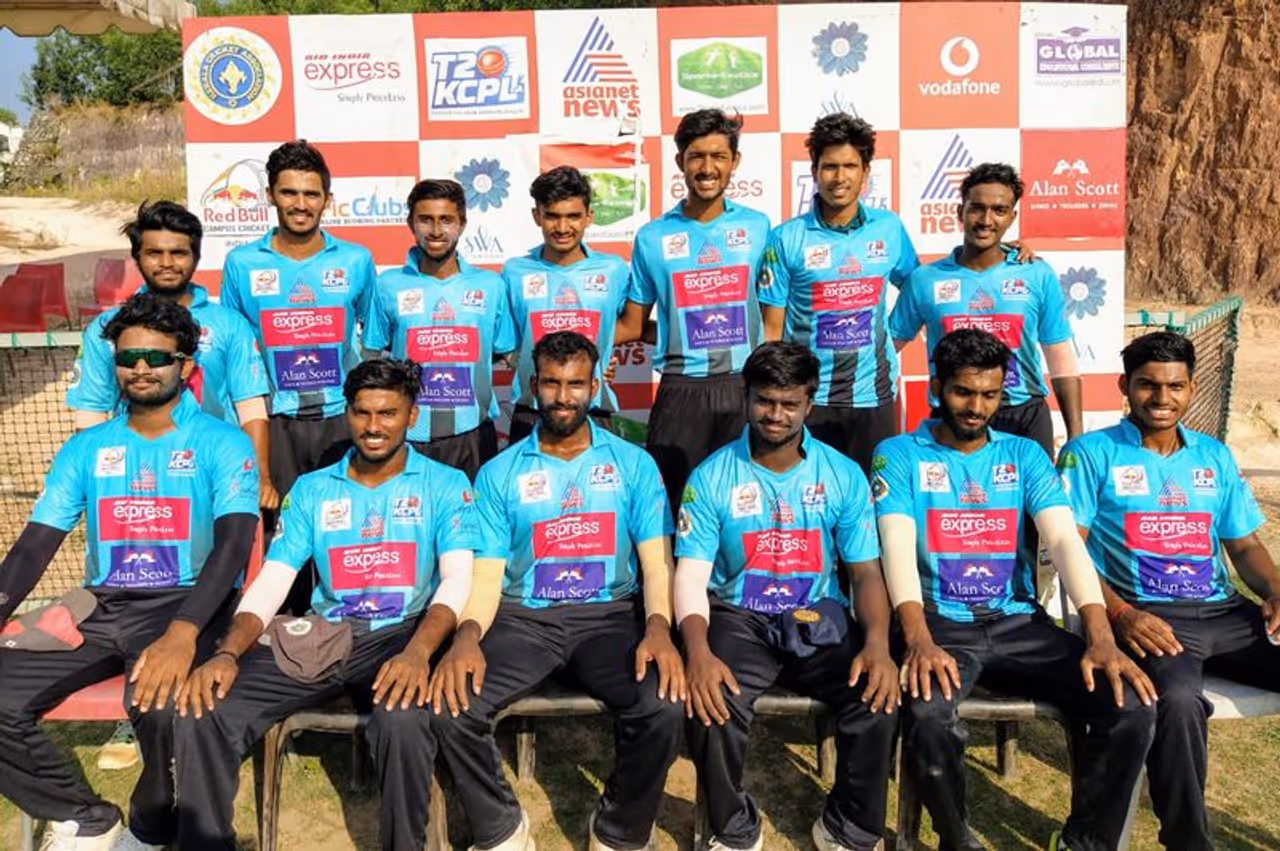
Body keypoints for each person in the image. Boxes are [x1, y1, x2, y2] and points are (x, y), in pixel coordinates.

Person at [173, 358, 477, 851]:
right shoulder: (312, 489)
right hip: (325, 635)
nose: (373, 427)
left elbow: (458, 579)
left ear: (412, 416)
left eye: (388, 413)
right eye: (362, 413)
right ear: (347, 413)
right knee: (203, 707)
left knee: (402, 721)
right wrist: (227, 653)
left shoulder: (445, 484)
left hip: (404, 634)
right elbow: (273, 580)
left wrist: (419, 653)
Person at [873, 328, 1155, 851]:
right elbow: (896, 546)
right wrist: (917, 638)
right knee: (928, 716)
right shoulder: (899, 453)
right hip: (938, 623)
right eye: (963, 392)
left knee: (1130, 704)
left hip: (1017, 622)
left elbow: (1064, 541)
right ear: (936, 388)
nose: (976, 407)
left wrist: (1100, 635)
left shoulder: (1025, 455)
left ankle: (1085, 840)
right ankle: (957, 840)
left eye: (990, 394)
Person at [0, 293, 260, 850]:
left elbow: (234, 545)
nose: (141, 368)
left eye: (157, 357)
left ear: (185, 367)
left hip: (187, 603)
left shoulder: (222, 441)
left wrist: (183, 633)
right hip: (100, 606)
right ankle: (86, 817)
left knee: (164, 705)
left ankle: (151, 827)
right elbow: (33, 548)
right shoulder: (87, 448)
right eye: (128, 357)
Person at [430, 331, 684, 851]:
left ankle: (618, 828)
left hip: (609, 618)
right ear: (533, 386)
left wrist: (659, 628)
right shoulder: (499, 473)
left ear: (595, 387)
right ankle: (502, 827)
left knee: (663, 703)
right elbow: (487, 576)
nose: (563, 397)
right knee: (450, 704)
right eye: (551, 384)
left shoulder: (633, 464)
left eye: (575, 385)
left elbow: (658, 564)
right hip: (524, 620)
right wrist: (467, 636)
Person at [68, 201, 271, 773]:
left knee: (210, 594)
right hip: (132, 496)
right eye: (153, 252)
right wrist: (94, 483)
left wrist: (257, 476)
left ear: (196, 256)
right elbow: (90, 413)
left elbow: (252, 407)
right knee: (127, 596)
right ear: (137, 257)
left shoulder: (228, 325)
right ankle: (134, 716)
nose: (166, 262)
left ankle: (203, 705)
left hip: (212, 489)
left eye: (178, 252)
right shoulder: (106, 329)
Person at [1058, 331, 1280, 851]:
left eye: (1175, 386)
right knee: (1177, 702)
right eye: (1148, 385)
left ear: (1191, 388)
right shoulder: (1090, 454)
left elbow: (1245, 545)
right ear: (1125, 387)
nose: (1162, 398)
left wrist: (1274, 588)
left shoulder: (1213, 455)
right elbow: (1069, 551)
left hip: (1225, 612)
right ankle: (1187, 841)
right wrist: (1120, 614)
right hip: (1150, 617)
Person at [674, 341, 898, 851]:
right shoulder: (711, 477)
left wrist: (878, 645)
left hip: (816, 614)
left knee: (876, 695)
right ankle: (734, 829)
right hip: (739, 617)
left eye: (789, 403)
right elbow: (690, 576)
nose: (775, 415)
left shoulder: (842, 474)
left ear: (809, 403)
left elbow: (865, 572)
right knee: (711, 700)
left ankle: (848, 827)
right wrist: (699, 651)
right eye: (765, 401)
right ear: (746, 396)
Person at [617, 109, 772, 516]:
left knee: (746, 508)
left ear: (735, 161)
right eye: (696, 156)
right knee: (673, 507)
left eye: (718, 156)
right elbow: (633, 324)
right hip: (681, 389)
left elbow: (773, 316)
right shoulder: (653, 237)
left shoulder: (758, 228)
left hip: (744, 384)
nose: (707, 168)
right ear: (679, 161)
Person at [757, 113, 920, 475]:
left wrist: (891, 338)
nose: (839, 177)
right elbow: (771, 330)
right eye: (830, 166)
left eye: (850, 166)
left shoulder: (889, 228)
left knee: (876, 498)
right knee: (811, 499)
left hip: (873, 395)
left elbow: (919, 288)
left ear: (866, 172)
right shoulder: (785, 238)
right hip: (808, 399)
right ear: (814, 171)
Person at [890, 162, 1083, 457]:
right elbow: (887, 348)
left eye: (999, 210)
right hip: (954, 416)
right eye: (977, 208)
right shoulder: (925, 280)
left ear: (1012, 217)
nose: (986, 220)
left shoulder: (1036, 273)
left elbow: (1061, 360)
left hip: (1022, 415)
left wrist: (1076, 436)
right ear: (960, 212)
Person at [219, 139, 377, 499]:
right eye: (289, 193)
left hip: (341, 418)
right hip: (274, 423)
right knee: (279, 525)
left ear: (327, 199)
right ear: (270, 195)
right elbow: (234, 350)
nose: (301, 205)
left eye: (311, 194)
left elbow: (374, 341)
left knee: (342, 524)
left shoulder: (356, 260)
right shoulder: (242, 263)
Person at [364, 178, 516, 481]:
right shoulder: (387, 284)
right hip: (408, 434)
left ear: (462, 224)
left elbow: (511, 354)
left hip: (473, 433)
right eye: (426, 220)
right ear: (410, 223)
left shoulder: (491, 285)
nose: (436, 230)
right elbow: (370, 354)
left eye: (446, 219)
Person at [503, 165, 630, 443]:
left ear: (589, 217)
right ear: (537, 216)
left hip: (592, 407)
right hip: (533, 409)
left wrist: (601, 357)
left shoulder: (614, 270)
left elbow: (631, 325)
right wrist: (524, 365)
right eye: (552, 216)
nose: (562, 228)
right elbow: (504, 341)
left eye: (573, 216)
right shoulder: (514, 272)